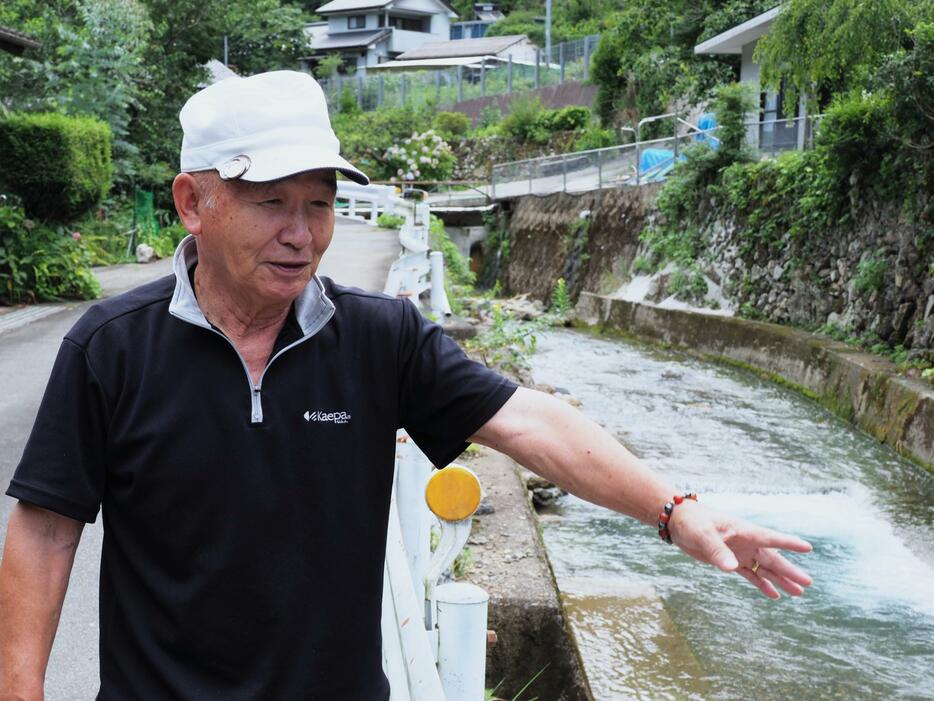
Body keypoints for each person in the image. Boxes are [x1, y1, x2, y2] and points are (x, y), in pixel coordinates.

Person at [0, 71, 812, 700]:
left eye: (319, 204)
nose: (301, 232)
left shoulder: (379, 338)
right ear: (193, 201)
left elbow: (532, 422)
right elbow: (44, 532)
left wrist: (676, 510)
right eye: (270, 201)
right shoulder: (110, 348)